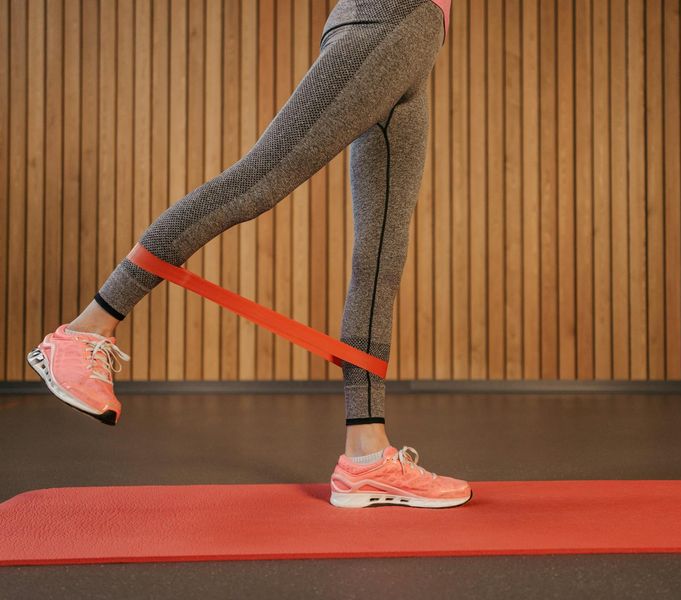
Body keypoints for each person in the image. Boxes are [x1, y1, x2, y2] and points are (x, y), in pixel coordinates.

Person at [26, 0, 470, 509]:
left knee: (382, 254)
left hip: (421, 36)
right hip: (389, 16)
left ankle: (366, 456)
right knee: (257, 180)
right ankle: (85, 330)